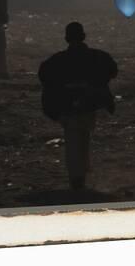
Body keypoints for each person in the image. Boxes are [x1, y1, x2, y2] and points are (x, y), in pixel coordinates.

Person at [38, 22, 118, 190]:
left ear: (67, 38)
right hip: (88, 105)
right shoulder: (98, 57)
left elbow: (44, 77)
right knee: (83, 137)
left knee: (73, 141)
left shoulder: (56, 61)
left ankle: (76, 178)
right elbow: (112, 71)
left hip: (68, 106)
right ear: (83, 37)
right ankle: (80, 176)